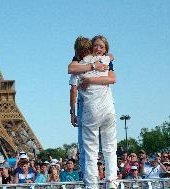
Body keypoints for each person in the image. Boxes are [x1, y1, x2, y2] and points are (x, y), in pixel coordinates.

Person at [68, 35, 117, 189]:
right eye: (96, 46)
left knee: (90, 151)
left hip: (90, 110)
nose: (98, 49)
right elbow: (111, 62)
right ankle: (111, 181)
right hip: (108, 109)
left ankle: (92, 185)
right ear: (90, 48)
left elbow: (72, 86)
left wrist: (72, 112)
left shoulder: (79, 66)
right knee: (110, 148)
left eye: (101, 46)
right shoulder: (103, 61)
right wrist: (102, 60)